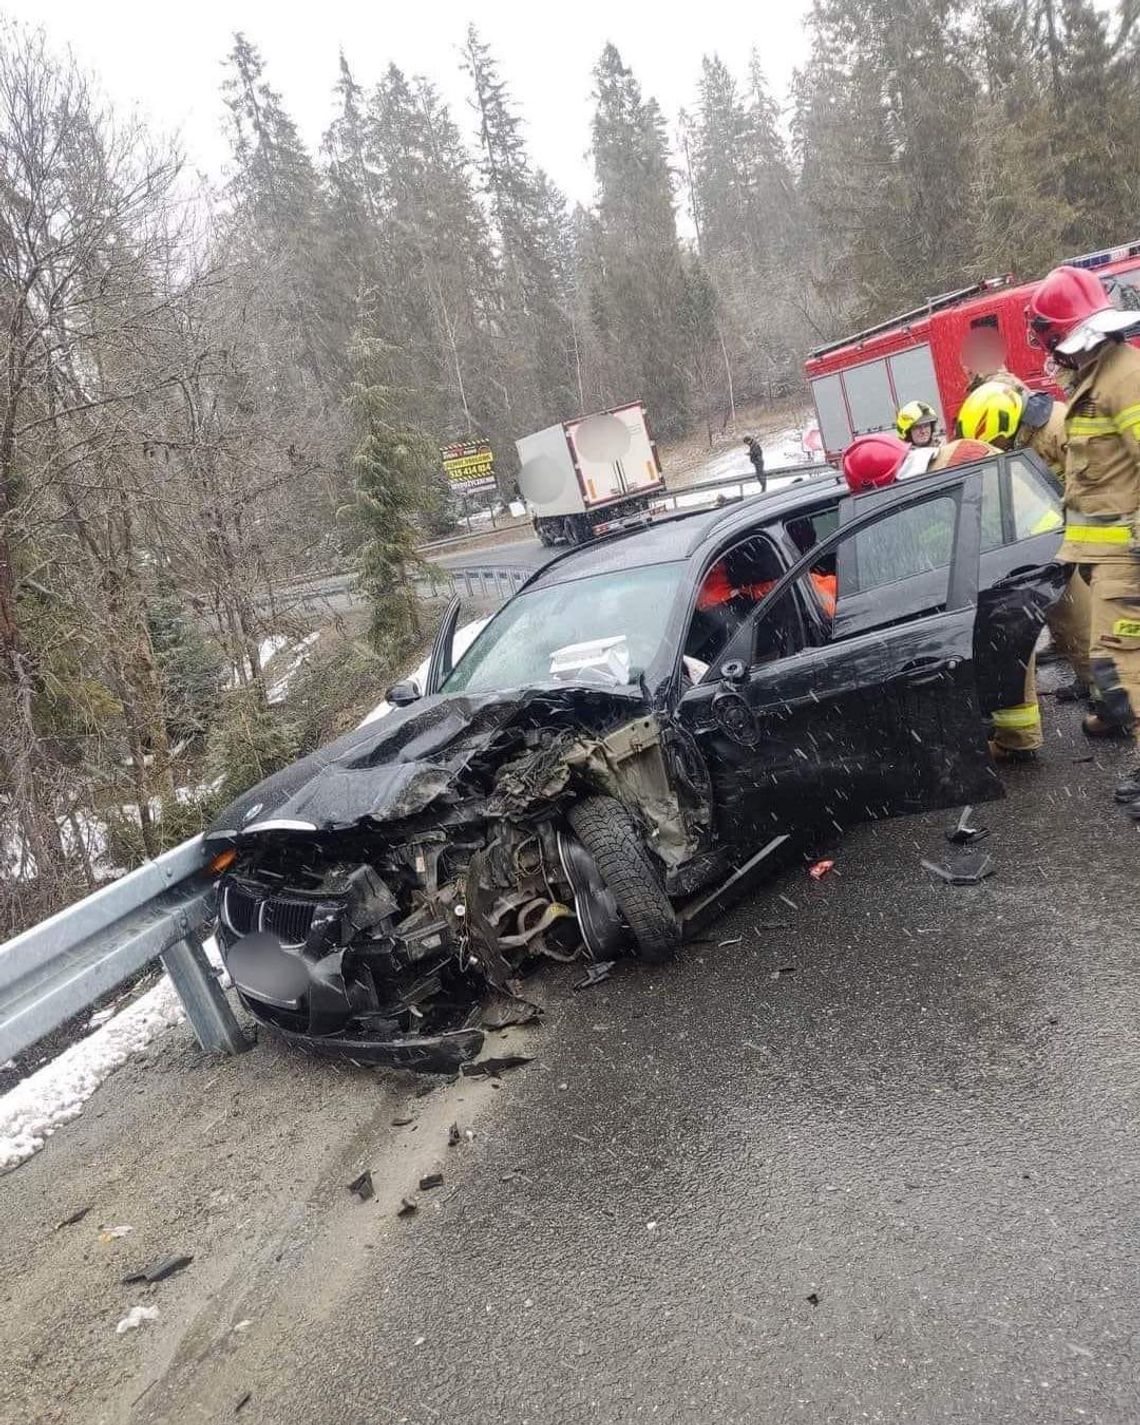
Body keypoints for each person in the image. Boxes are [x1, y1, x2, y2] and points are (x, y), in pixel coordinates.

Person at [841, 432, 1042, 760]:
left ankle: (1019, 741)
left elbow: (967, 538)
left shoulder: (945, 479)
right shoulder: (951, 455)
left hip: (1021, 555)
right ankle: (1104, 703)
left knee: (1009, 653)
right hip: (1040, 539)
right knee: (1070, 640)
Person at [1025, 264, 1140, 807]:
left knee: (1121, 670)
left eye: (1049, 340)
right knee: (1119, 672)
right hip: (1105, 557)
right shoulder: (1096, 379)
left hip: (1128, 558)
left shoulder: (1123, 378)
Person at [956, 379, 1093, 703]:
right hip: (1062, 535)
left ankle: (1117, 698)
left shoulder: (1060, 426)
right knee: (1064, 613)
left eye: (1001, 442)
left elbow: (1091, 480)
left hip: (1089, 530)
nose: (1002, 448)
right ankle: (1090, 681)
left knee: (1093, 615)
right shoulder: (1026, 434)